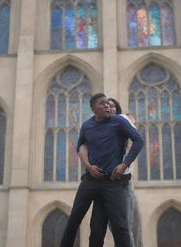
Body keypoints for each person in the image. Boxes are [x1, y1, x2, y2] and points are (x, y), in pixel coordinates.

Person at [60, 93, 143, 247]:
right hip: (91, 180)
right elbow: (81, 146)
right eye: (102, 103)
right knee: (75, 220)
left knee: (121, 227)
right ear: (93, 108)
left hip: (114, 182)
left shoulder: (119, 121)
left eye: (108, 104)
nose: (106, 106)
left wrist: (124, 164)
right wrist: (89, 166)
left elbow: (139, 140)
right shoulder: (87, 125)